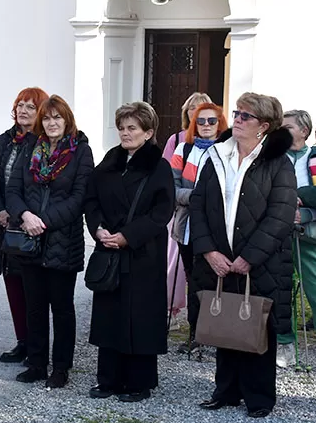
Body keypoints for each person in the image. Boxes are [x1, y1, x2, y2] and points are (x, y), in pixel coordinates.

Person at [190, 93, 296, 418]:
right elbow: (198, 204)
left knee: (257, 325)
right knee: (225, 322)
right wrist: (209, 250)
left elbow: (280, 215)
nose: (237, 119)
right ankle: (226, 391)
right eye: (237, 113)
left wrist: (249, 256)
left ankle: (259, 397)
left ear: (263, 126)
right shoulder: (217, 156)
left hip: (261, 261)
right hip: (219, 257)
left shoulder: (278, 163)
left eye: (245, 116)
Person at [84, 102, 175, 402]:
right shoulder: (110, 162)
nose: (125, 133)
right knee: (110, 315)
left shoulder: (158, 166)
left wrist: (128, 236)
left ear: (148, 132)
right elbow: (91, 200)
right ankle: (108, 379)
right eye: (122, 128)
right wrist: (97, 229)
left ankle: (139, 382)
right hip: (109, 247)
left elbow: (162, 211)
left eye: (132, 128)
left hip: (142, 252)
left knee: (140, 317)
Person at [5, 95, 94, 388]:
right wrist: (25, 216)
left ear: (67, 120)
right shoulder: (31, 147)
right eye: (47, 118)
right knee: (34, 306)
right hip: (29, 240)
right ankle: (37, 363)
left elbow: (79, 197)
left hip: (61, 240)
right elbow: (14, 189)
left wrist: (44, 222)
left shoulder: (81, 151)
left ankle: (61, 367)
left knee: (62, 308)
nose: (51, 123)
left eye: (57, 117)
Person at [0, 87, 49, 364]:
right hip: (5, 224)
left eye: (30, 107)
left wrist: (20, 214)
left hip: (33, 223)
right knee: (12, 281)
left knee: (33, 287)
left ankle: (37, 344)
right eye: (19, 105)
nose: (23, 110)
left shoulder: (45, 142)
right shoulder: (4, 140)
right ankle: (22, 341)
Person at [169, 103, 227, 350]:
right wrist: (194, 198)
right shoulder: (183, 149)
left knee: (217, 281)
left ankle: (220, 333)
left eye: (211, 121)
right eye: (201, 121)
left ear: (219, 124)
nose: (205, 125)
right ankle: (196, 335)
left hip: (219, 228)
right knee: (194, 280)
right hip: (188, 227)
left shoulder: (228, 151)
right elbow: (169, 187)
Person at [277, 110, 316, 367]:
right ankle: (285, 344)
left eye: (288, 127)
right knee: (282, 293)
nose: (282, 131)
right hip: (277, 235)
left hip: (308, 235)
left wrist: (303, 209)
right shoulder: (272, 158)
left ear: (304, 131)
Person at [162, 92, 212, 321]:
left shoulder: (222, 146)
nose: (197, 114)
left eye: (202, 110)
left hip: (210, 221)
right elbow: (168, 180)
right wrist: (193, 197)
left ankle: (207, 323)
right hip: (183, 216)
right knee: (178, 266)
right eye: (192, 108)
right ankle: (176, 311)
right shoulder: (179, 142)